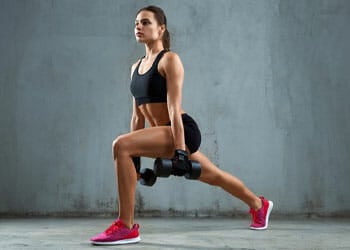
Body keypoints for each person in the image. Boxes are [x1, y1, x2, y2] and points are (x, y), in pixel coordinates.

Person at [90, 5, 273, 245]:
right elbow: (137, 117)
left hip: (181, 131)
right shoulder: (135, 67)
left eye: (146, 22)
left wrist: (179, 150)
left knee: (120, 145)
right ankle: (259, 205)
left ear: (161, 28)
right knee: (215, 176)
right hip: (162, 134)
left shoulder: (170, 60)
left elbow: (175, 109)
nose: (139, 26)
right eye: (136, 22)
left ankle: (126, 226)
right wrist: (135, 160)